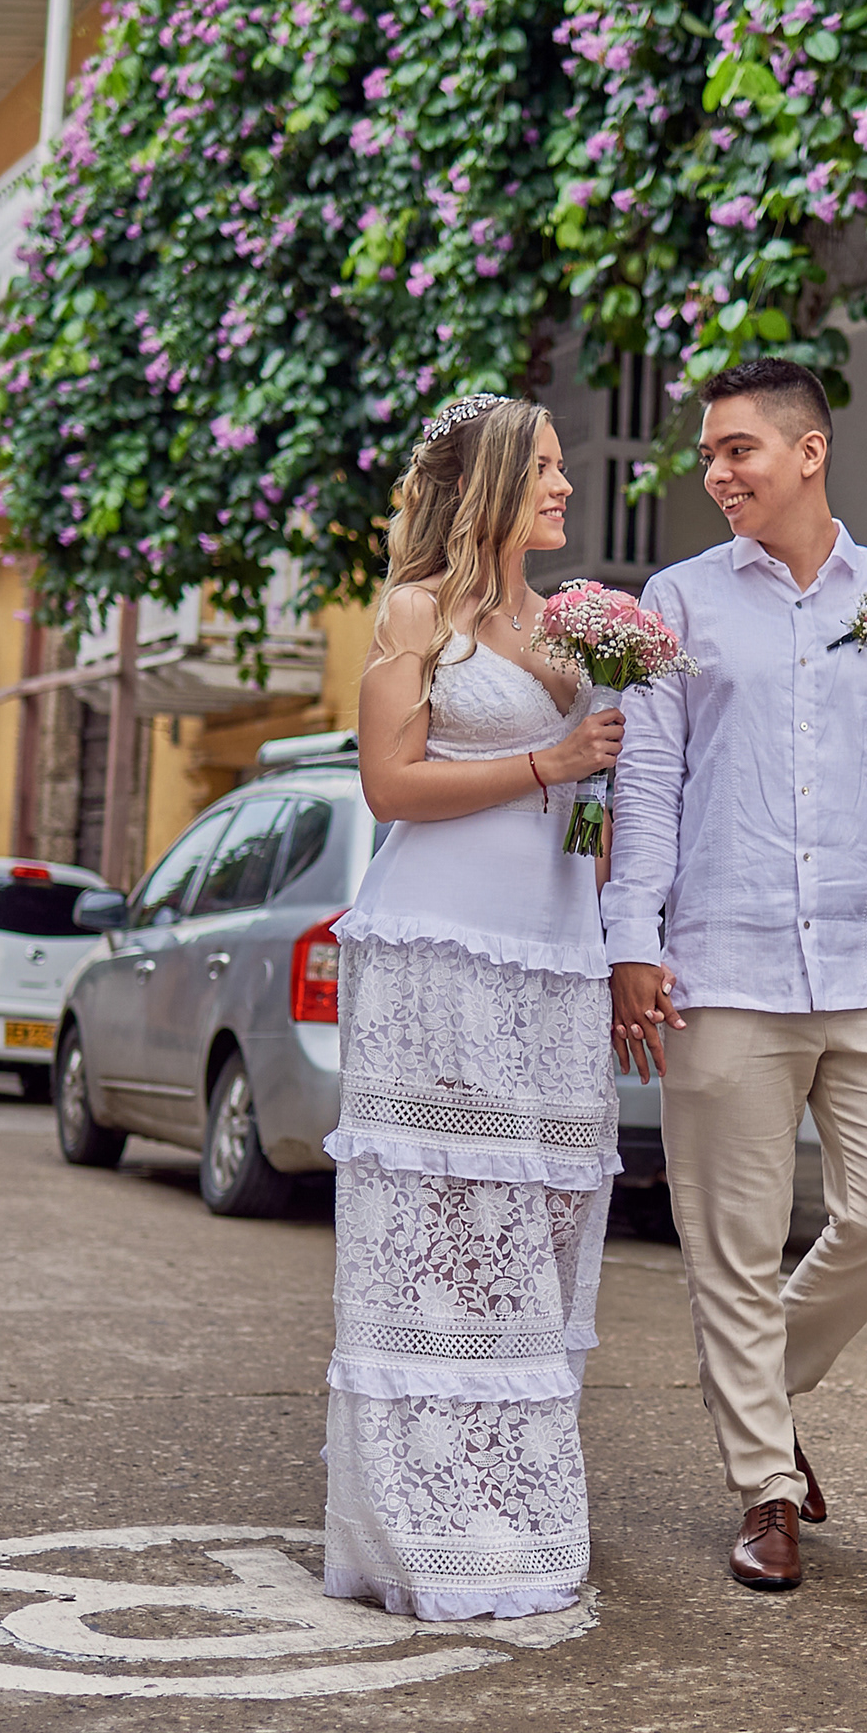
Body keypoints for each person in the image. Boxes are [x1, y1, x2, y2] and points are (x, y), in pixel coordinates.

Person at [604, 357, 867, 1594]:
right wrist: (633, 936)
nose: (716, 472)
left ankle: (753, 1390)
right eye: (708, 453)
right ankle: (766, 1488)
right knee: (730, 1243)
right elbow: (648, 781)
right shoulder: (678, 602)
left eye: (737, 448)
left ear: (809, 450)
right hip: (724, 964)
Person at [323, 393, 626, 1621]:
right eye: (545, 467)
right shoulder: (416, 611)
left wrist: (614, 919)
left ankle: (508, 1504)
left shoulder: (569, 626)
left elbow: (589, 810)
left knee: (537, 1232)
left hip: (554, 959)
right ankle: (423, 1523)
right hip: (440, 953)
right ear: (492, 483)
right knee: (441, 1236)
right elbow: (391, 785)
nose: (564, 484)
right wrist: (551, 760)